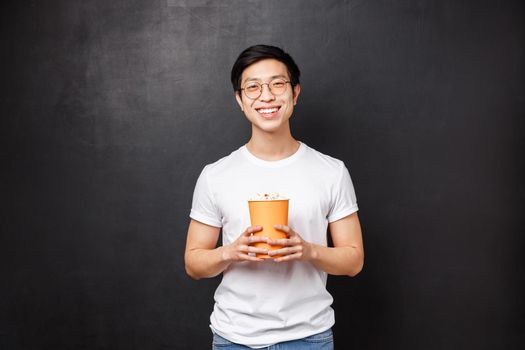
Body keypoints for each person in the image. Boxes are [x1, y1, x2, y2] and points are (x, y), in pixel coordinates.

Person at [184, 44, 364, 349]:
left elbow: (354, 260)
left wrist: (307, 250)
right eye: (253, 87)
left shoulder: (331, 171)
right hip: (233, 339)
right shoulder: (215, 175)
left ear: (294, 93)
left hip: (309, 338)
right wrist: (231, 251)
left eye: (277, 84)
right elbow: (193, 263)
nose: (266, 96)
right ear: (240, 100)